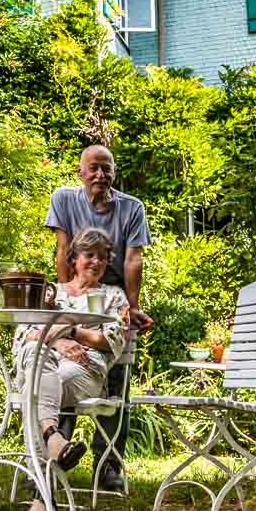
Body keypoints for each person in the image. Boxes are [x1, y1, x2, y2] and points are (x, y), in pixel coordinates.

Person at [45, 145, 153, 492]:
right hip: (74, 292)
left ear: (114, 173)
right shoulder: (64, 199)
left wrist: (132, 307)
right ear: (81, 172)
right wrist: (65, 300)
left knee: (117, 382)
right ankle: (55, 456)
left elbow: (133, 260)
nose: (100, 175)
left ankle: (108, 464)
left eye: (106, 168)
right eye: (93, 168)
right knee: (63, 367)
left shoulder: (132, 208)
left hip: (112, 298)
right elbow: (62, 251)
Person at [14, 227, 130, 511]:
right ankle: (54, 440)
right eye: (89, 255)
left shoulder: (113, 296)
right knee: (34, 358)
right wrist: (60, 342)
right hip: (46, 362)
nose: (96, 262)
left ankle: (44, 483)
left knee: (35, 387)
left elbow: (113, 340)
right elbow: (23, 334)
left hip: (86, 370)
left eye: (103, 258)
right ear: (74, 258)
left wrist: (71, 331)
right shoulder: (50, 292)